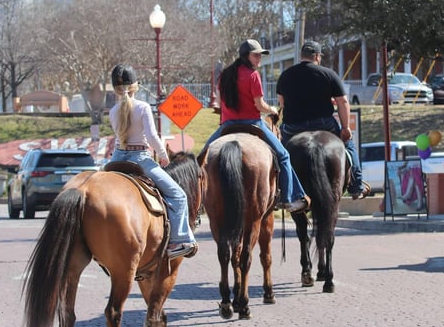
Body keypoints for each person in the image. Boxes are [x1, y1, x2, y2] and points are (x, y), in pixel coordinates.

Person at [201, 38, 311, 214]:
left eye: (260, 55)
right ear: (246, 56)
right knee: (283, 156)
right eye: (256, 55)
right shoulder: (253, 75)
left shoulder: (225, 75)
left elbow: (221, 102)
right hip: (252, 123)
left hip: (227, 124)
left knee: (202, 157)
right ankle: (290, 199)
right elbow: (259, 106)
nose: (259, 58)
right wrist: (272, 109)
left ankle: (199, 201)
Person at [108, 64, 198, 259]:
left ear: (114, 88)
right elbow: (151, 136)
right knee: (178, 195)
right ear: (135, 86)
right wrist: (163, 155)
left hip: (116, 158)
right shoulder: (142, 107)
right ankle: (178, 240)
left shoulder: (113, 111)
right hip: (139, 159)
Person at [276, 40, 370, 200]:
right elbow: (343, 102)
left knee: (280, 154)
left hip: (293, 127)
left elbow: (282, 102)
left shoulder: (286, 75)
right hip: (324, 125)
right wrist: (346, 128)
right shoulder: (328, 74)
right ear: (317, 57)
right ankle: (356, 186)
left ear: (301, 56)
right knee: (349, 145)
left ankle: (279, 189)